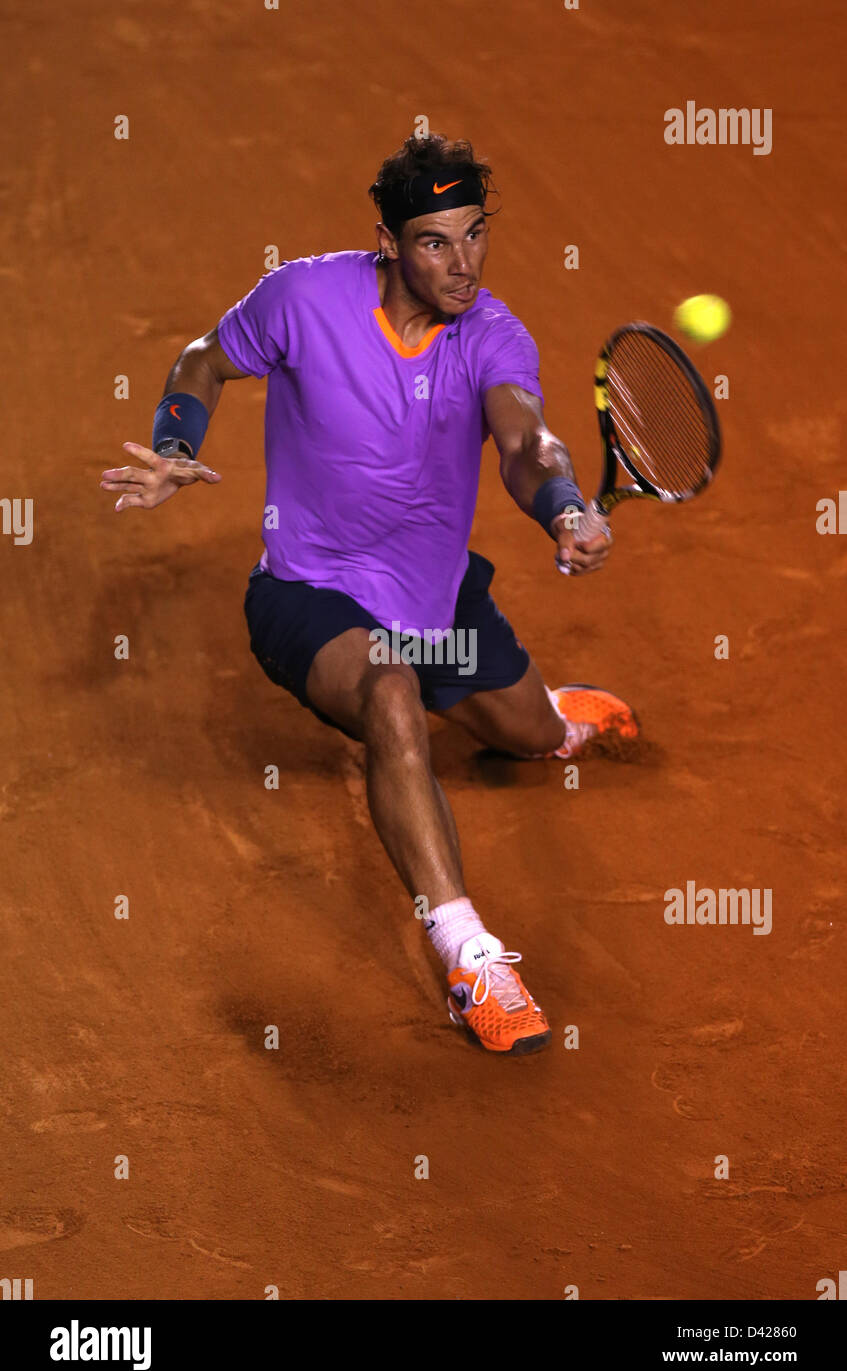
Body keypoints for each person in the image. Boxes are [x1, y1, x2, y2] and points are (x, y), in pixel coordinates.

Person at [100, 133, 638, 1056]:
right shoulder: (305, 298)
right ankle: (471, 960)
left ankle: (545, 712)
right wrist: (178, 445)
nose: (462, 263)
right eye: (434, 242)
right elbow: (201, 358)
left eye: (474, 235)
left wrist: (562, 505)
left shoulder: (493, 334)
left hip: (435, 609)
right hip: (309, 597)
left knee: (533, 739)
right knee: (391, 694)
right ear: (386, 242)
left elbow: (526, 444)